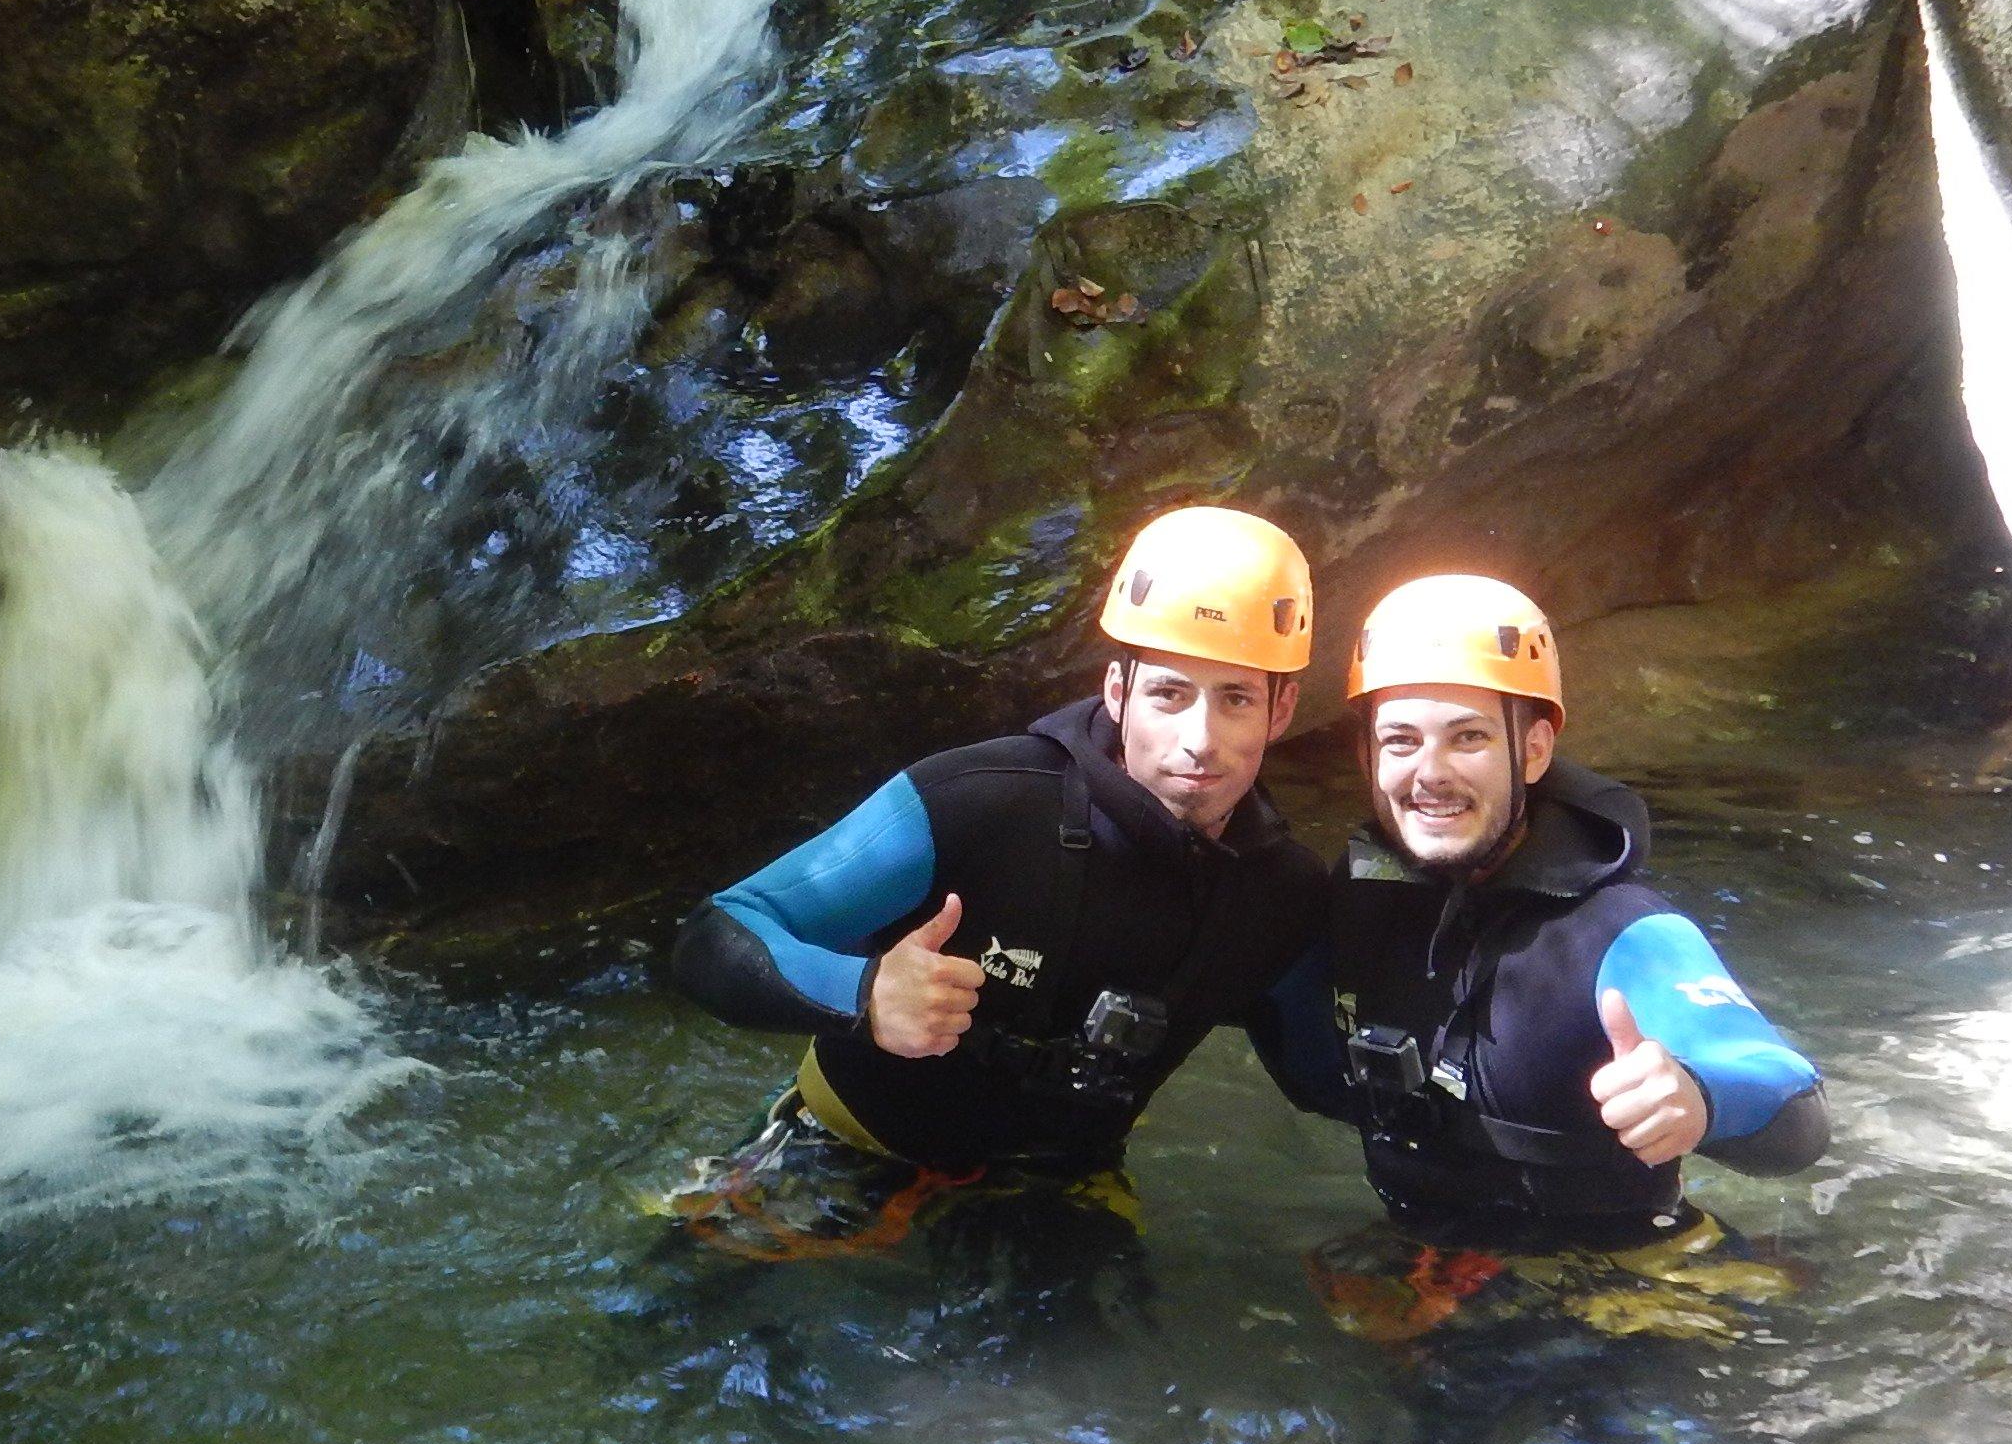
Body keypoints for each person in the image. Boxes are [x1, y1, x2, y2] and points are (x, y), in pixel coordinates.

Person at [657, 507, 1338, 1254]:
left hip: (1054, 1182)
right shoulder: (982, 801)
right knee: (669, 1325)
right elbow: (715, 935)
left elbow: (1328, 1082)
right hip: (847, 1144)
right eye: (1169, 694)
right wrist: (864, 993)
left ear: (1282, 709)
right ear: (1117, 691)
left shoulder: (1282, 895)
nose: (1199, 739)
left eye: (1235, 697)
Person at [1308, 574, 1826, 1346]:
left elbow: (1796, 1116)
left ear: (1536, 748)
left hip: (1625, 1285)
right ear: (1367, 755)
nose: (1431, 772)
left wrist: (1699, 1097)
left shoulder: (1619, 929)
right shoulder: (1360, 900)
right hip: (1435, 1265)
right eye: (1401, 740)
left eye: (1469, 737)